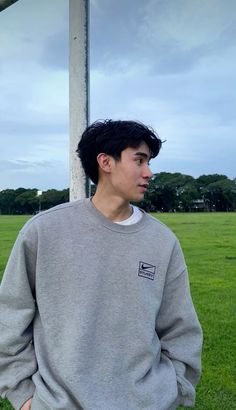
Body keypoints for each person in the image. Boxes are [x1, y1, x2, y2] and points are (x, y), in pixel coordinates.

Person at [0, 120, 202, 410]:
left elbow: (181, 327)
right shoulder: (44, 231)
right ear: (105, 162)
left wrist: (174, 387)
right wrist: (23, 395)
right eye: (139, 160)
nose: (149, 173)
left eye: (149, 162)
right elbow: (9, 316)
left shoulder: (162, 241)